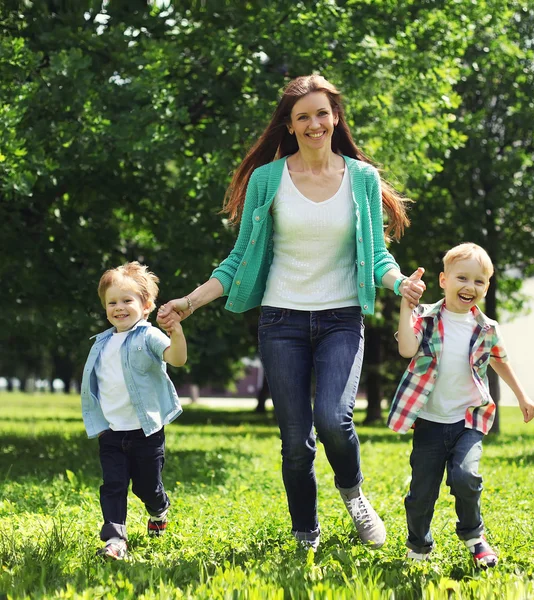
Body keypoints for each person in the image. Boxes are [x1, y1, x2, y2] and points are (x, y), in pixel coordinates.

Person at [157, 74, 425, 551]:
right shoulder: (268, 180)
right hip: (282, 321)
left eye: (322, 113)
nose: (314, 123)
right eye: (303, 116)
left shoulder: (360, 178)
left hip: (342, 317)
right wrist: (190, 302)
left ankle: (354, 493)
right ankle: (306, 533)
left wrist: (401, 283)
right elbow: (239, 259)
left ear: (336, 118)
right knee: (295, 440)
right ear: (289, 125)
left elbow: (378, 255)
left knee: (333, 420)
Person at [388, 243, 534, 568]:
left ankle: (474, 536)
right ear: (443, 280)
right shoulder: (423, 318)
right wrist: (405, 304)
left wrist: (522, 395)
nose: (470, 287)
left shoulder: (487, 328)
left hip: (467, 421)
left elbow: (501, 362)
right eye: (462, 278)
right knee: (421, 494)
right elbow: (407, 350)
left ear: (486, 287)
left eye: (479, 281)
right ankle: (418, 545)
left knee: (466, 476)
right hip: (428, 423)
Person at [80, 262, 187, 560]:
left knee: (146, 487)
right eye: (112, 302)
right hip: (112, 432)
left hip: (146, 432)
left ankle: (159, 508)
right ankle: (115, 539)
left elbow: (176, 359)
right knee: (113, 486)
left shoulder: (148, 336)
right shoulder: (101, 343)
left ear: (146, 305)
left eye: (127, 300)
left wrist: (176, 333)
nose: (119, 307)